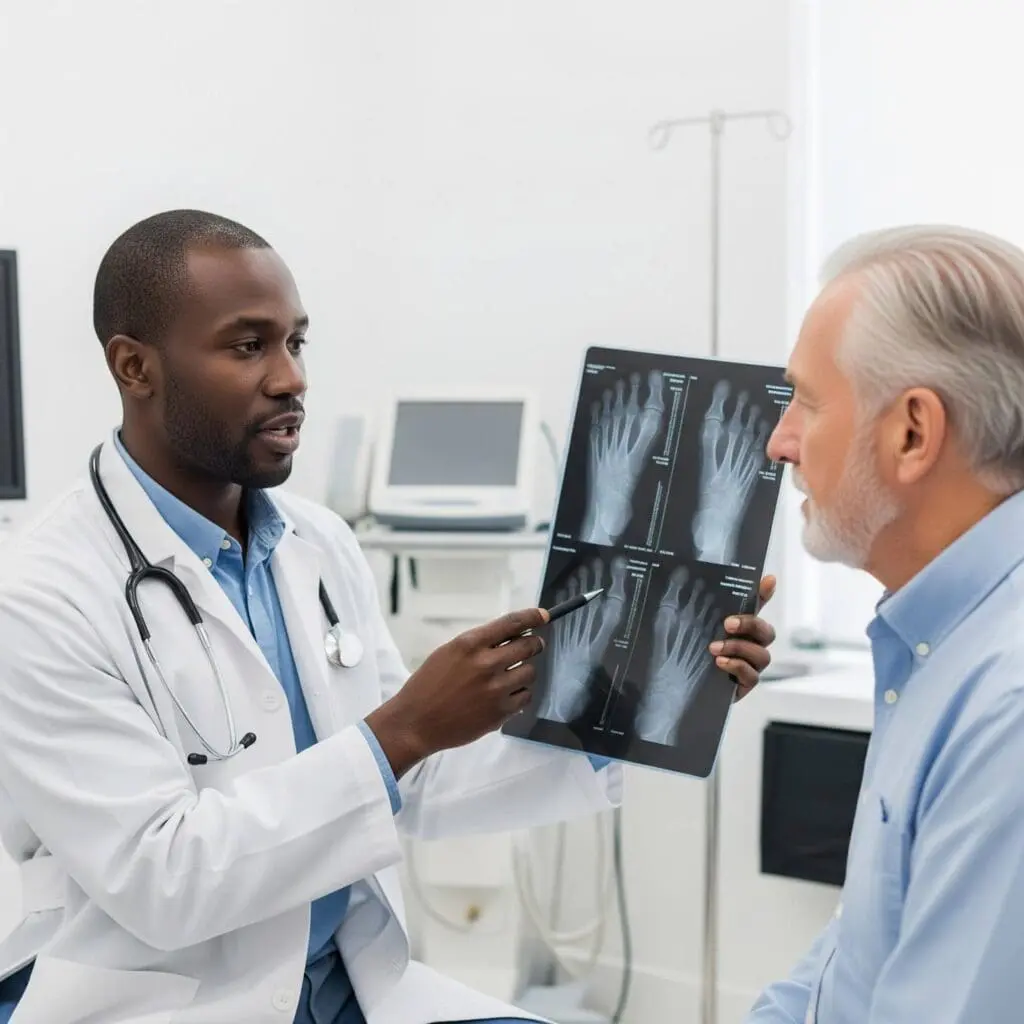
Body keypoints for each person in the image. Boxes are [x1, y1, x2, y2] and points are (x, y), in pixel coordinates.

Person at [0, 210, 777, 1024]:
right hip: (169, 1005)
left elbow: (415, 784)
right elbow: (163, 878)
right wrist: (404, 727)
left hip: (344, 988)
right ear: (135, 367)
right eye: (247, 345)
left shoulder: (318, 543)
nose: (290, 377)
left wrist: (655, 691)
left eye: (296, 342)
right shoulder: (40, 597)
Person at [748, 224, 1024, 1024]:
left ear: (911, 433)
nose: (778, 442)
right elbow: (852, 958)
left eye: (806, 399)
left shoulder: (1006, 708)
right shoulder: (939, 644)